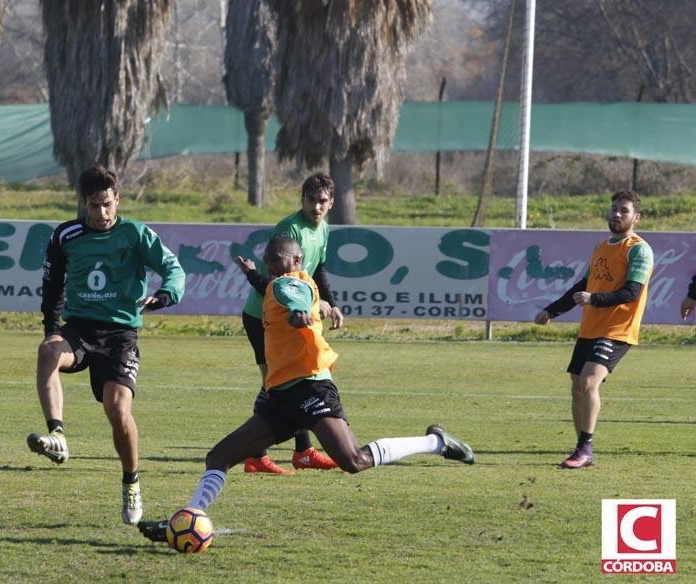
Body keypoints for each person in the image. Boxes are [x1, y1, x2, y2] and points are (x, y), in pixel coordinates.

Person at [137, 237, 473, 543]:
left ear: (297, 261)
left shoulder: (297, 284)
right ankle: (187, 519)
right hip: (281, 395)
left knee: (354, 460)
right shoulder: (276, 284)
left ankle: (437, 442)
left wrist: (301, 313)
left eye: (278, 261)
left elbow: (294, 295)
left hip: (312, 385)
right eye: (268, 262)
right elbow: (274, 286)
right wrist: (256, 275)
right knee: (219, 457)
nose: (273, 266)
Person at [26, 165, 185, 525]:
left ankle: (131, 480)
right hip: (80, 329)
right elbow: (52, 287)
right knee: (48, 351)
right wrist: (52, 329)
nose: (102, 213)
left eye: (108, 205)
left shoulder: (136, 234)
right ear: (82, 203)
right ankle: (58, 435)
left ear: (118, 200)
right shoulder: (65, 236)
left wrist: (165, 295)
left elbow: (174, 269)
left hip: (120, 335)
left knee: (117, 410)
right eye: (94, 206)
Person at [534, 190, 654, 469]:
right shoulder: (601, 247)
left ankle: (584, 448)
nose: (616, 214)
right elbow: (582, 287)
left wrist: (594, 300)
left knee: (589, 382)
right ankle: (581, 449)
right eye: (613, 208)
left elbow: (632, 292)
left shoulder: (638, 249)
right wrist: (552, 309)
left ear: (636, 217)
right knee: (577, 387)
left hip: (618, 328)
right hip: (591, 327)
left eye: (623, 210)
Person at [239, 172, 345, 475]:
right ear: (303, 200)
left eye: (322, 201)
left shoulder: (323, 228)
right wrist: (312, 303)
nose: (317, 207)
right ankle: (259, 454)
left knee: (292, 380)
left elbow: (318, 269)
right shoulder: (290, 229)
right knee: (275, 383)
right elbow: (273, 283)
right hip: (263, 317)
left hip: (291, 320)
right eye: (311, 200)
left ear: (331, 203)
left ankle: (302, 452)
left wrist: (331, 302)